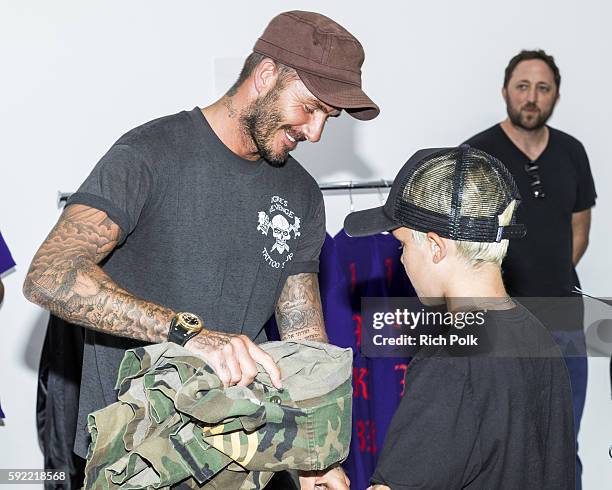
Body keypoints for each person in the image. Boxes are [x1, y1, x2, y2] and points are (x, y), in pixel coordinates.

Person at [23, 10, 379, 489]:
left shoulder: (302, 194)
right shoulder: (149, 153)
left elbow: (303, 341)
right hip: (136, 459)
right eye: (309, 108)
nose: (314, 132)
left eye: (327, 119)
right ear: (267, 75)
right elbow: (49, 274)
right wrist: (187, 333)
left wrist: (315, 455)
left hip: (242, 461)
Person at [344, 145, 575, 489]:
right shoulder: (539, 336)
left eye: (403, 245)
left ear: (436, 247)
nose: (403, 260)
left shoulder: (451, 361)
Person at [464, 49, 596, 489]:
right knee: (500, 444)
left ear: (555, 95)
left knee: (563, 445)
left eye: (543, 88)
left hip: (565, 319)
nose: (532, 97)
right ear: (506, 91)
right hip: (500, 320)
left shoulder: (573, 152)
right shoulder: (477, 154)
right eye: (523, 86)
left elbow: (580, 232)